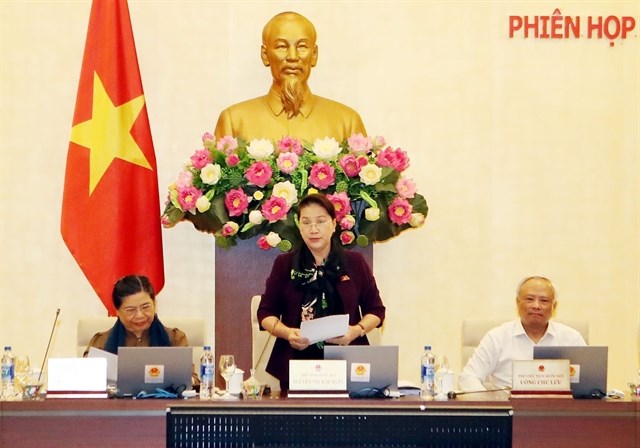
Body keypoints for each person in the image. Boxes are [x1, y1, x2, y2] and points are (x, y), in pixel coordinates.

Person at [257, 194, 386, 390]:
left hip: (347, 361)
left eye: (321, 221)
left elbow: (376, 311)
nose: (313, 229)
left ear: (334, 224)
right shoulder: (284, 264)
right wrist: (287, 333)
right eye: (306, 222)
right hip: (297, 367)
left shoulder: (355, 263)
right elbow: (265, 313)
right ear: (299, 227)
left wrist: (355, 331)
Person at [214, 11, 366, 141]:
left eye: (302, 47)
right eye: (281, 46)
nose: (292, 56)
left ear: (314, 55)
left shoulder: (346, 122)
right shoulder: (234, 121)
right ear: (265, 55)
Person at [458, 276, 587, 391]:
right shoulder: (497, 337)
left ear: (554, 306)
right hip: (509, 412)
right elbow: (468, 377)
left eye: (544, 301)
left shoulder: (571, 338)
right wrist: (491, 405)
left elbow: (589, 382)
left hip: (558, 413)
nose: (536, 306)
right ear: (517, 302)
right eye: (530, 299)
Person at [83, 275, 189, 355]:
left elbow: (192, 379)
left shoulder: (175, 339)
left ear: (154, 304)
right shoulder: (100, 344)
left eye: (145, 307)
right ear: (117, 311)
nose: (139, 315)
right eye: (130, 310)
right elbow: (87, 381)